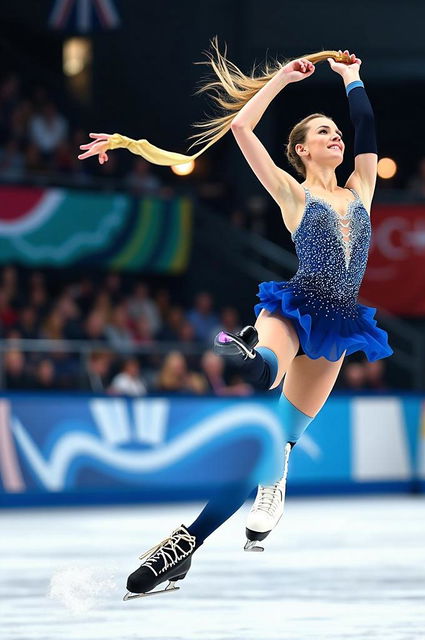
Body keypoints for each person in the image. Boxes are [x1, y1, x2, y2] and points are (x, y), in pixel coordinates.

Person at [77, 44, 391, 599]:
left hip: (337, 327)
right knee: (260, 369)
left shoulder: (361, 187)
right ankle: (244, 352)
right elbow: (244, 130)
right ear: (300, 150)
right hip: (294, 308)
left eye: (334, 132)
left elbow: (365, 129)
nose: (335, 137)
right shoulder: (292, 194)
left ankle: (186, 544)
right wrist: (281, 81)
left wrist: (352, 79)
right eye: (322, 133)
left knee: (271, 447)